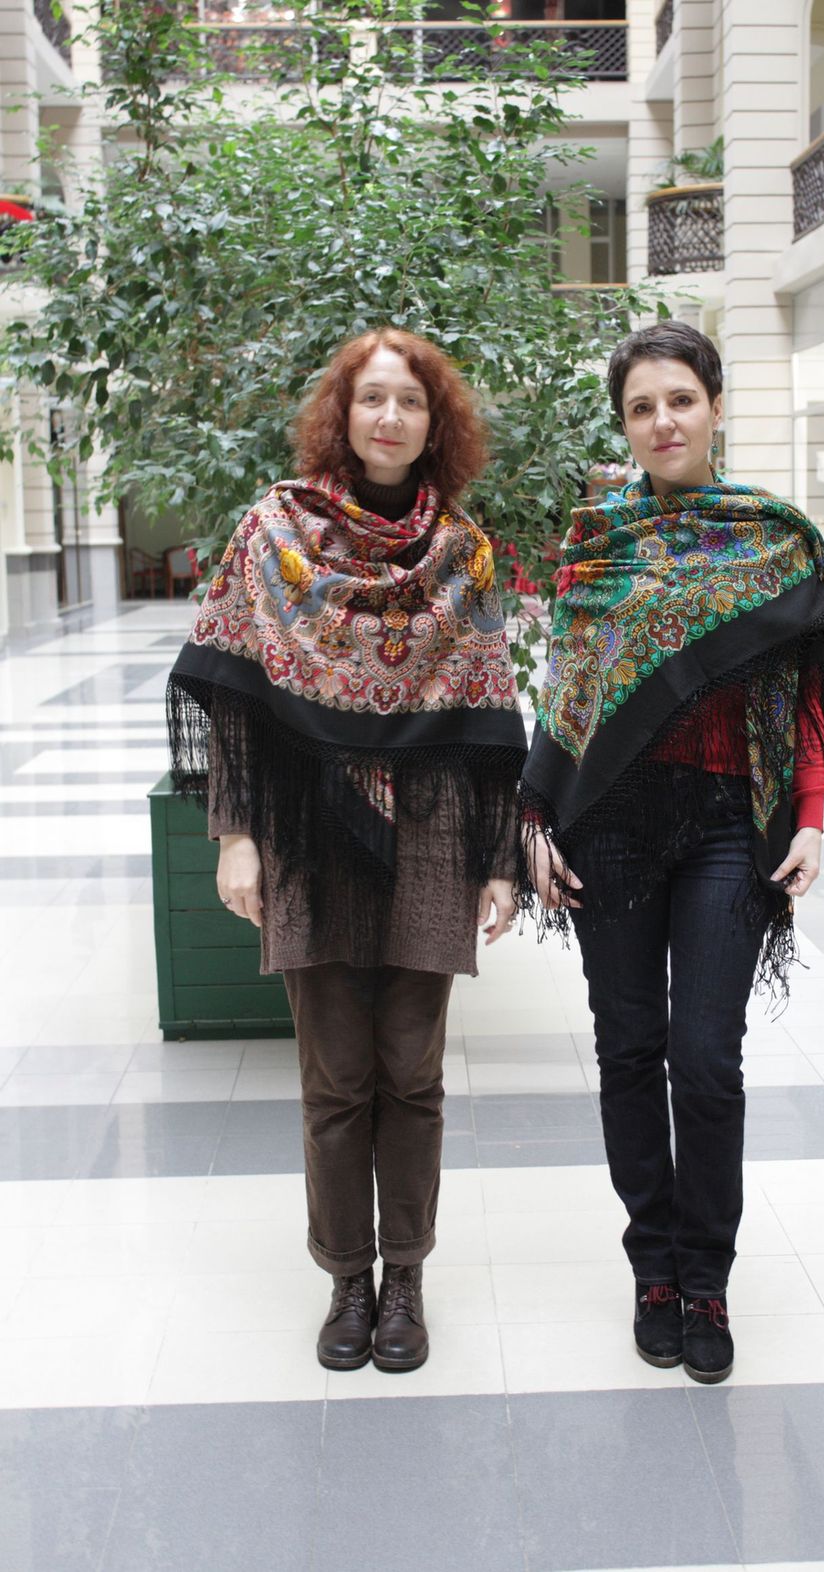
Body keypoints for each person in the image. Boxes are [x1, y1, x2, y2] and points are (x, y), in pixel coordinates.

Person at [167, 329, 527, 1373]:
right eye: (372, 397)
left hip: (433, 835)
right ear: (344, 413)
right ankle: (347, 1280)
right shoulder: (273, 531)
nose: (389, 417)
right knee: (333, 1078)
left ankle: (405, 1275)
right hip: (306, 827)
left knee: (411, 1075)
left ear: (435, 422)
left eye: (409, 401)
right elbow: (237, 697)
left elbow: (491, 713)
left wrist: (499, 860)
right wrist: (236, 835)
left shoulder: (465, 552)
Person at [520, 322, 824, 1384]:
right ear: (625, 425)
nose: (663, 422)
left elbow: (802, 694)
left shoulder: (775, 540)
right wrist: (535, 818)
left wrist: (808, 815)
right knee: (627, 1048)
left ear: (714, 406)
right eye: (641, 408)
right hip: (608, 826)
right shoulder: (595, 542)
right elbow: (567, 694)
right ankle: (652, 1268)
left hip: (725, 823)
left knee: (705, 1057)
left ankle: (706, 1278)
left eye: (680, 400)